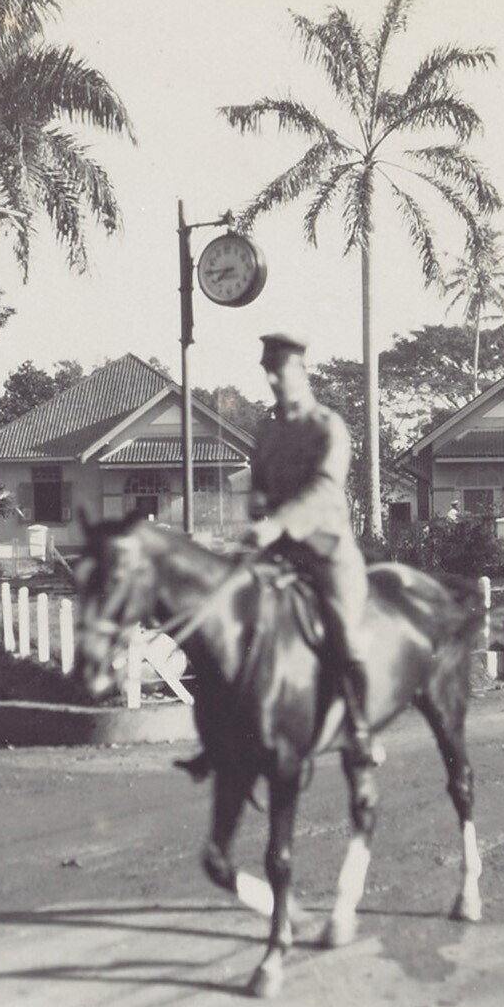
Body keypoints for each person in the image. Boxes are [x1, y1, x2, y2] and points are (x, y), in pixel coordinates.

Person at [178, 331, 381, 789]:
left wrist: (277, 524)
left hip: (326, 550)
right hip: (278, 552)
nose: (272, 379)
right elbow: (260, 486)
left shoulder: (327, 427)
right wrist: (255, 513)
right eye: (267, 371)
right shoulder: (268, 430)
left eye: (280, 371)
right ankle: (220, 734)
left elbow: (324, 490)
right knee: (226, 614)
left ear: (300, 371)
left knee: (346, 636)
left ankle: (360, 731)